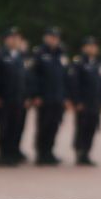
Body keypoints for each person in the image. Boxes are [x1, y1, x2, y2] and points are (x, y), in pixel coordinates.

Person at [69, 35, 101, 166]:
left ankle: (87, 152)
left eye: (94, 46)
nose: (93, 48)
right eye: (90, 46)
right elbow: (74, 84)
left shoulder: (100, 65)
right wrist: (77, 101)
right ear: (84, 48)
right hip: (83, 102)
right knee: (81, 127)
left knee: (92, 128)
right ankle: (79, 151)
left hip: (96, 102)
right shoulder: (79, 63)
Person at [32, 27, 69, 166]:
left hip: (58, 98)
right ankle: (41, 153)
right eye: (51, 37)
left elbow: (66, 78)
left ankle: (49, 152)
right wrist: (36, 94)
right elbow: (34, 76)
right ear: (45, 38)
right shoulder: (39, 53)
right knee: (43, 125)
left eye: (56, 37)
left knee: (54, 125)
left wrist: (66, 96)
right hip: (44, 97)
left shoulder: (62, 55)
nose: (54, 40)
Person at [0, 27, 30, 166]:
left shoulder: (23, 57)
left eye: (17, 38)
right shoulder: (0, 56)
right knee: (4, 127)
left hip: (19, 98)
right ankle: (3, 154)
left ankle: (13, 152)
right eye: (12, 38)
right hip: (5, 98)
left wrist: (28, 96)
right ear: (6, 40)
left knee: (17, 126)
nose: (15, 40)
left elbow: (28, 78)